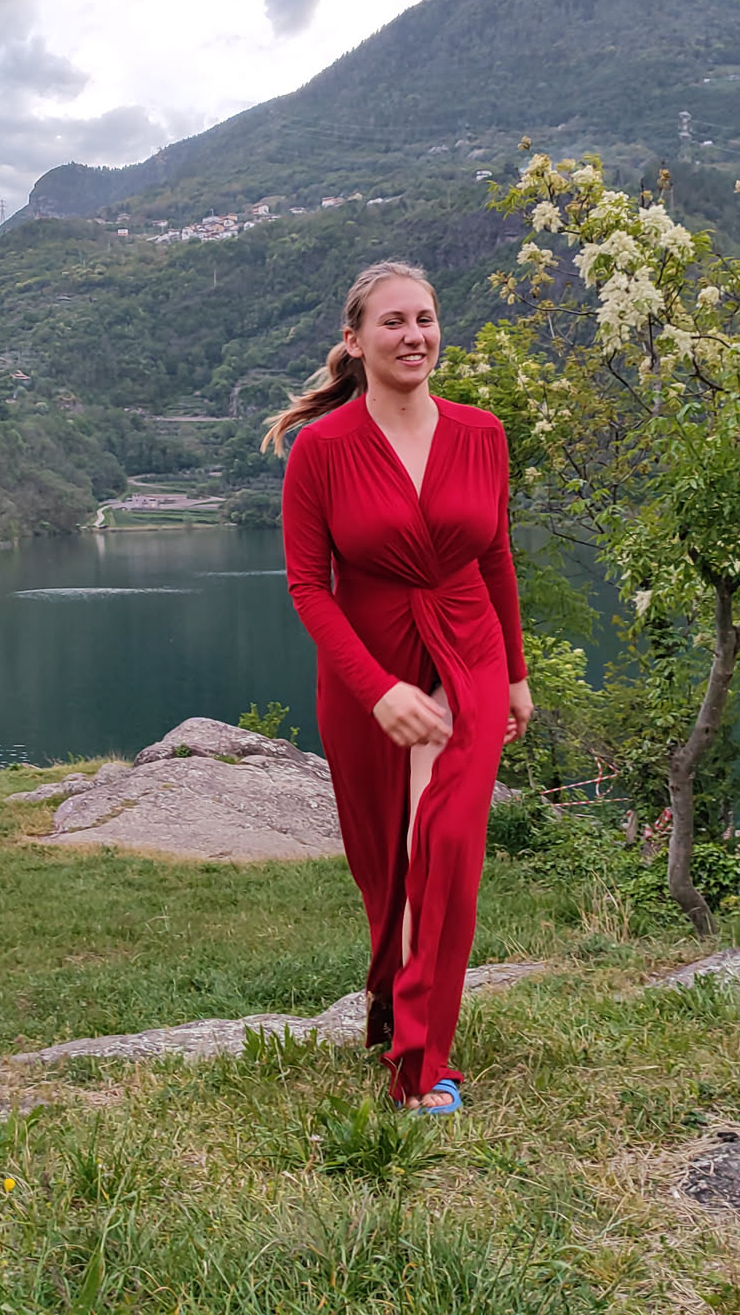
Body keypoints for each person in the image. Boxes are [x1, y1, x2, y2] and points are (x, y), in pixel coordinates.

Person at [264, 260, 531, 1112]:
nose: (415, 336)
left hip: (469, 654)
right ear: (354, 340)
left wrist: (515, 674)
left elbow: (496, 556)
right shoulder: (322, 448)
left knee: (444, 853)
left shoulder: (482, 433)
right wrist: (377, 688)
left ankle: (422, 1064)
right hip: (366, 672)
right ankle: (392, 1000)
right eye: (394, 322)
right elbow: (308, 588)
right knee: (389, 866)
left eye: (425, 319)